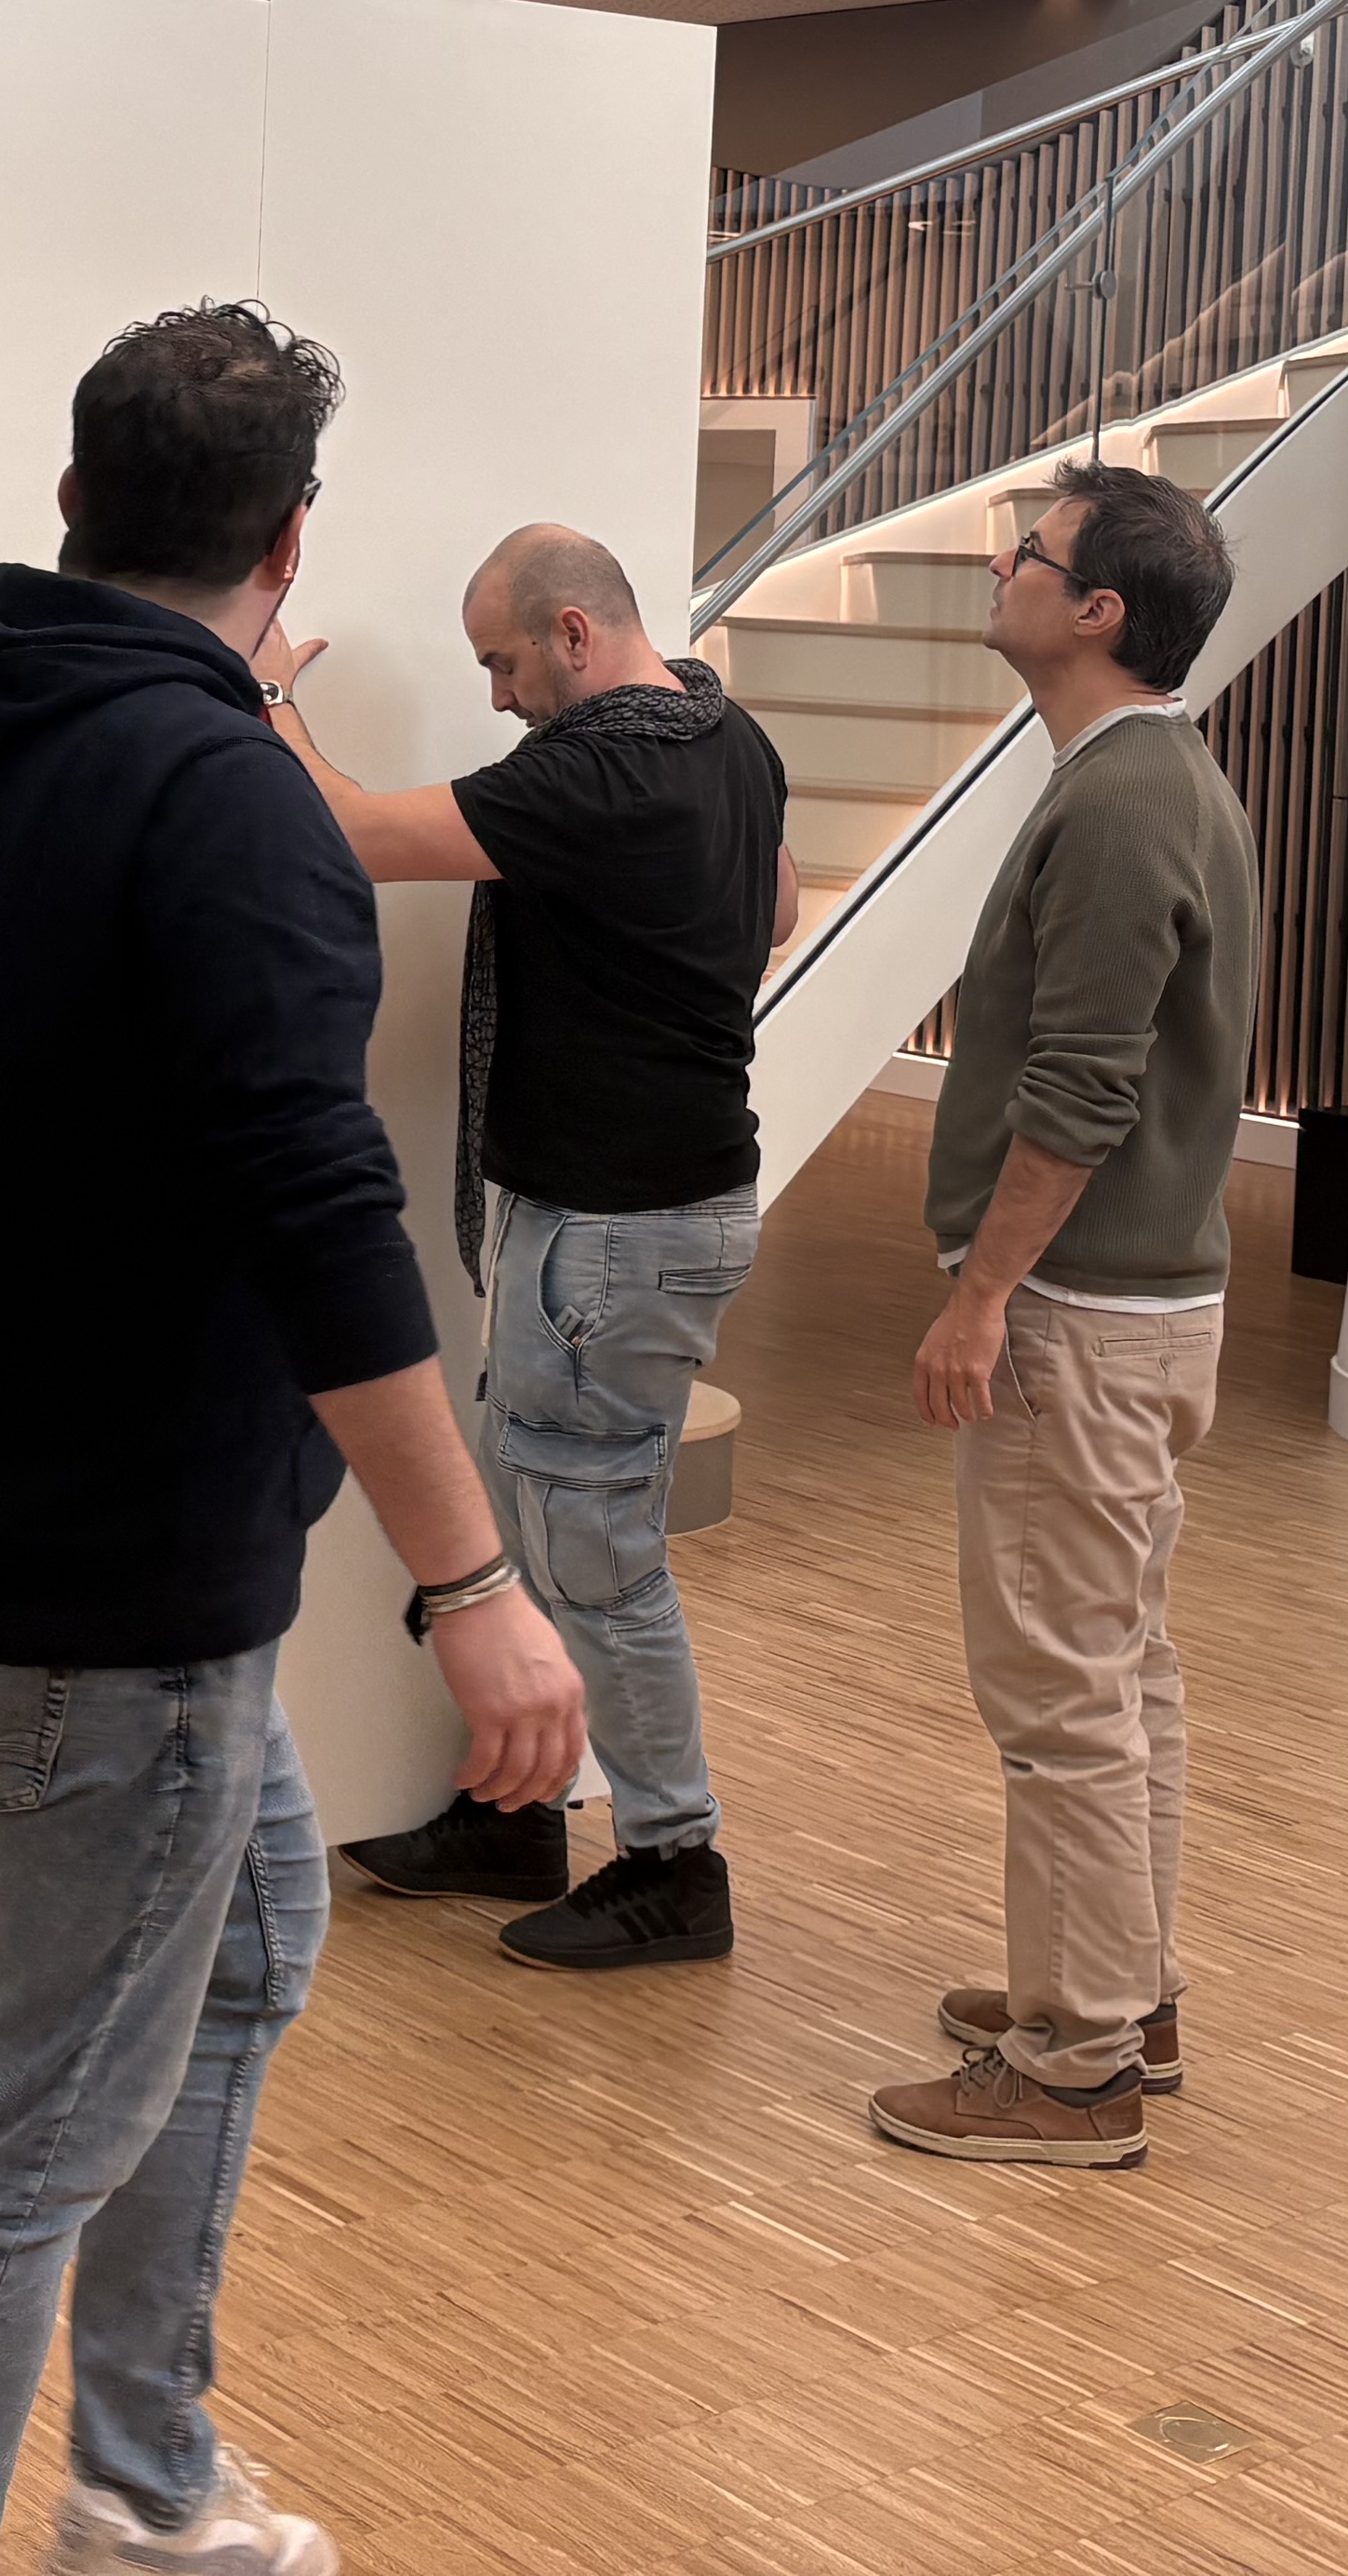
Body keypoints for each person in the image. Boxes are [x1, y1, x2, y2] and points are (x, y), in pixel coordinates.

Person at [0, 301, 585, 2576]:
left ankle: (149, 2488)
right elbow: (322, 1207)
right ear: (288, 544)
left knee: (252, 1933)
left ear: (72, 504)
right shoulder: (223, 792)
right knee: (20, 2130)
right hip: (116, 1577)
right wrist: (473, 1588)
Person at [253, 523, 794, 1970]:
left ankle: (675, 1863)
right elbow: (782, 904)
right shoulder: (720, 731)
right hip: (626, 1215)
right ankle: (515, 1813)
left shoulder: (604, 766)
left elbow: (351, 832)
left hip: (621, 1228)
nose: (493, 693)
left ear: (571, 634)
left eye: (501, 660)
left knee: (601, 1556)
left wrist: (261, 691)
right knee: (551, 1527)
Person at [866, 459, 1254, 2171]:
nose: (1003, 563)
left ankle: (1078, 2062)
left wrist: (982, 1292)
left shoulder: (1112, 801)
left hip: (1085, 1319)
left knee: (1060, 1690)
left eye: (1029, 551)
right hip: (1149, 1306)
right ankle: (1122, 1993)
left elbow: (1081, 1086)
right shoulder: (1153, 782)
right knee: (1119, 1666)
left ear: (1095, 610)